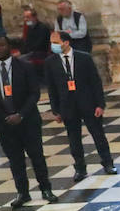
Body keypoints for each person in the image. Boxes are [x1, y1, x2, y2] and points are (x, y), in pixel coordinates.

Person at [0, 37, 55, 207]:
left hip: (28, 119)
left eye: (1, 44)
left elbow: (34, 93)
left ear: (9, 46)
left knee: (37, 156)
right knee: (15, 159)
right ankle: (23, 193)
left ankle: (46, 189)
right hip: (4, 122)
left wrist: (21, 114)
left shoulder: (25, 66)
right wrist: (4, 114)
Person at [44, 29, 114, 180]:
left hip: (88, 103)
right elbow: (52, 88)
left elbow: (95, 82)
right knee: (74, 139)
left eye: (55, 42)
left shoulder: (84, 58)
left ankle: (108, 163)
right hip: (67, 106)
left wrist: (100, 104)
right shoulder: (50, 62)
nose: (52, 45)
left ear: (66, 42)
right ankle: (80, 168)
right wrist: (56, 110)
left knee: (98, 135)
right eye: (51, 42)